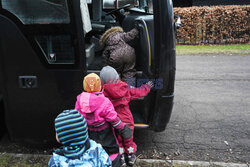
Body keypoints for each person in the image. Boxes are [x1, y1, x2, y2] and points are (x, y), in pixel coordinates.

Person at [75, 73, 132, 167]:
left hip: (88, 131)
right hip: (105, 132)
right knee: (111, 151)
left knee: (90, 150)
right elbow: (113, 118)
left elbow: (77, 116)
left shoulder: (79, 99)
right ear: (99, 85)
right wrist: (122, 128)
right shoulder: (104, 101)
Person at [100, 66, 153, 166]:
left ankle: (121, 157)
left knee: (117, 139)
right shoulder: (124, 90)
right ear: (117, 78)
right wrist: (146, 87)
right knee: (128, 139)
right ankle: (130, 155)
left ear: (102, 81)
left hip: (113, 120)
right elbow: (138, 93)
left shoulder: (103, 93)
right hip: (126, 120)